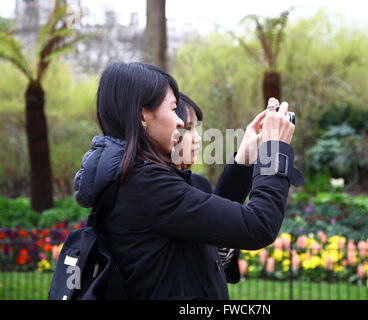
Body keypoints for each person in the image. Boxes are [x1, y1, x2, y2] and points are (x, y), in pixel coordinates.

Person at [73, 62, 305, 299]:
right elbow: (258, 225)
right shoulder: (145, 184)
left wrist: (245, 158)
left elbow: (209, 224)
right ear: (143, 115)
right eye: (173, 110)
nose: (181, 123)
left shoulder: (133, 180)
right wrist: (273, 151)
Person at [173, 92, 248, 284]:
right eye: (188, 129)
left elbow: (218, 263)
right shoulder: (157, 192)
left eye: (197, 129)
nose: (198, 138)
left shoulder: (199, 184)